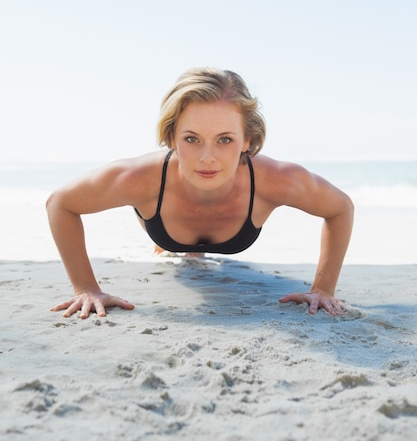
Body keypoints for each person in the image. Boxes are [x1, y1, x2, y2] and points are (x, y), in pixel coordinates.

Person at [46, 67, 354, 319]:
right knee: (167, 241)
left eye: (224, 140)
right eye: (192, 139)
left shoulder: (277, 180)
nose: (208, 158)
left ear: (247, 139)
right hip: (161, 218)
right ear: (171, 136)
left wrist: (323, 288)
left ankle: (191, 248)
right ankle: (173, 245)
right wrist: (85, 287)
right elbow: (60, 203)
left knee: (191, 249)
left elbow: (340, 208)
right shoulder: (139, 179)